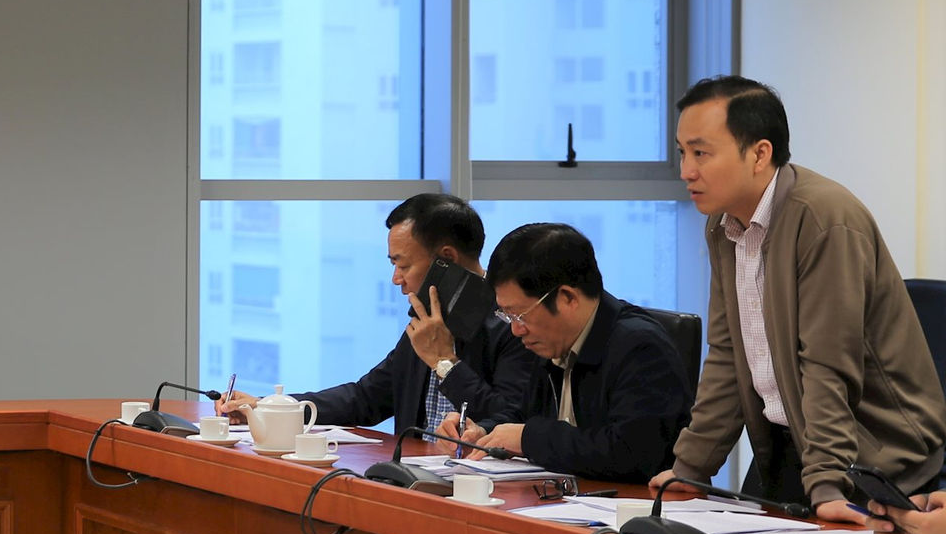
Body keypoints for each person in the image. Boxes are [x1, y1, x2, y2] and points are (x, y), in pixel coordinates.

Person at [649, 76, 946, 523]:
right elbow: (729, 356)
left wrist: (827, 485)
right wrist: (690, 468)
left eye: (701, 153)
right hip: (791, 448)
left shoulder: (824, 220)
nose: (686, 171)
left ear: (759, 154)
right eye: (681, 153)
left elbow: (828, 364)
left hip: (872, 461)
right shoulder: (724, 225)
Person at [217, 194, 534, 434]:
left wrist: (445, 363)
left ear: (446, 260)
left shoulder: (515, 325)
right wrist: (268, 407)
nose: (396, 279)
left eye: (403, 265)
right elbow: (365, 398)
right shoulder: (426, 322)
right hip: (416, 478)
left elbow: (511, 420)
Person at [446, 223, 692, 483]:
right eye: (507, 316)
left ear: (567, 298)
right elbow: (522, 415)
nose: (516, 330)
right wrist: (484, 430)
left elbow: (630, 453)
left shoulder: (640, 347)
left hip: (637, 502)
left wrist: (528, 439)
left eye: (520, 315)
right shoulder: (550, 338)